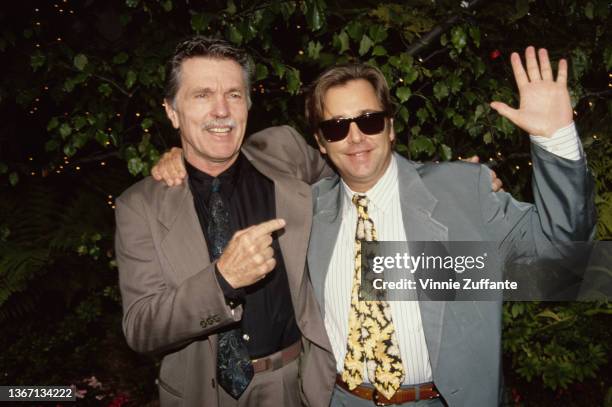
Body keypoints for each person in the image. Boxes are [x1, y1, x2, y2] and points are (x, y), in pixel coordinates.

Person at [300, 48, 595, 406]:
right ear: (321, 142)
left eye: (369, 120)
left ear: (391, 127)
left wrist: (555, 140)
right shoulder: (305, 210)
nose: (356, 137)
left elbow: (563, 255)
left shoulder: (462, 192)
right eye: (336, 126)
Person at [115, 36, 334, 407]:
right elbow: (141, 330)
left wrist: (443, 182)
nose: (221, 110)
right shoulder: (139, 206)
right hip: (206, 393)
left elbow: (357, 177)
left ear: (248, 104)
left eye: (233, 94)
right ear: (172, 111)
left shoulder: (285, 152)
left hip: (299, 382)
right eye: (202, 95)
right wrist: (221, 281)